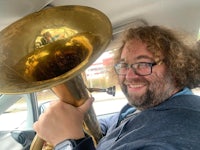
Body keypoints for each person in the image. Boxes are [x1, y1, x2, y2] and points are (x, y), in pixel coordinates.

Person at [33, 25, 200, 150]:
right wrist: (73, 122)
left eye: (143, 64)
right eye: (124, 65)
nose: (129, 76)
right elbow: (114, 124)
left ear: (176, 67)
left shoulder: (184, 129)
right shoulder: (146, 105)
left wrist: (67, 141)